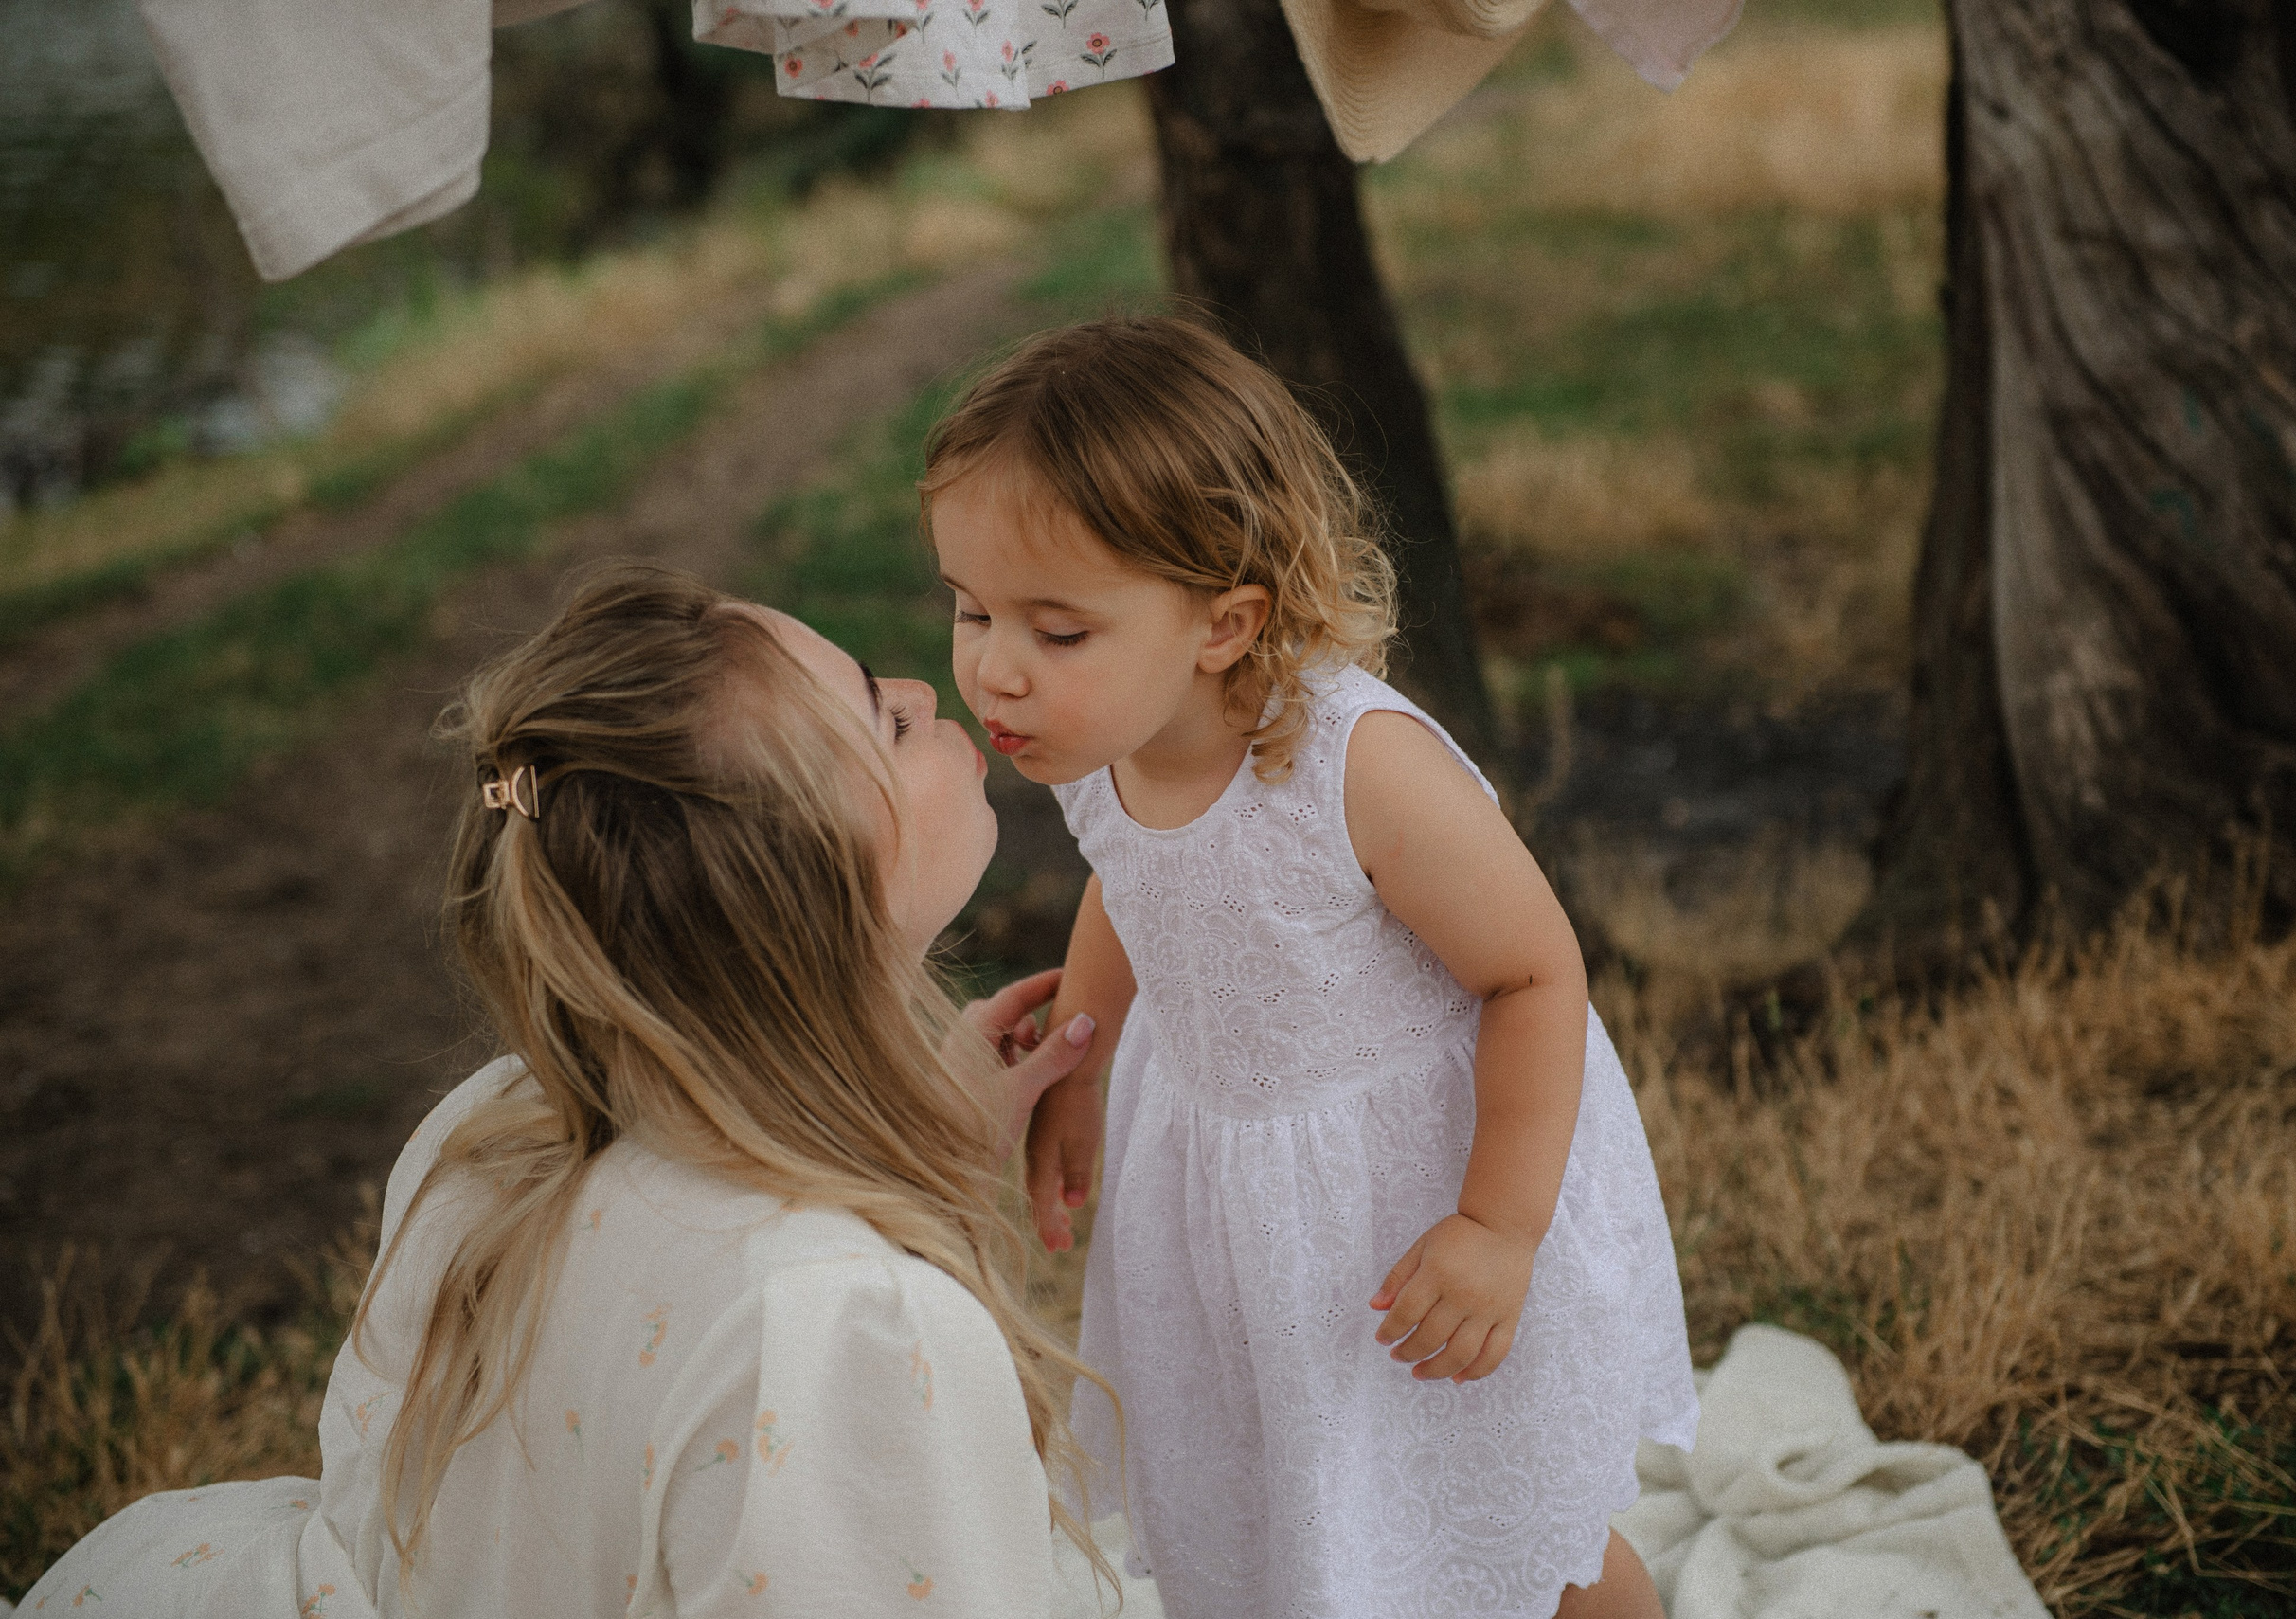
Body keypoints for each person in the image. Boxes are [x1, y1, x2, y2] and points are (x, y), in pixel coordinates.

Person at [19, 567, 1114, 1616]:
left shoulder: (498, 1133)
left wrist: (925, 1141)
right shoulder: (838, 1328)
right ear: (809, 891)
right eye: (887, 720)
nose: (930, 687)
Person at [924, 317, 1699, 1619]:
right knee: (1306, 1502)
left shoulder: (1358, 768)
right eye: (970, 609)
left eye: (1056, 632)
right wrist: (1080, 1055)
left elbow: (1534, 974)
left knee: (1505, 1515)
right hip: (1235, 1203)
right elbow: (1135, 882)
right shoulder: (1100, 743)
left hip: (1414, 1194)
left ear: (1223, 623)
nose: (994, 668)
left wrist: (1497, 1228)